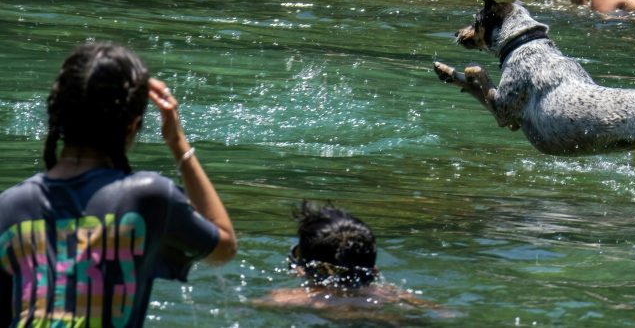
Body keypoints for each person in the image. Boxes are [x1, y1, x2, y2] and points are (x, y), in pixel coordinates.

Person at [0, 42, 237, 327]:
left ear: (58, 117)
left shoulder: (8, 206)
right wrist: (178, 144)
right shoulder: (149, 197)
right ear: (132, 125)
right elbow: (223, 248)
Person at [254, 201, 435, 319]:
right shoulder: (396, 296)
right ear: (374, 270)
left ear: (300, 268)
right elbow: (445, 314)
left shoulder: (284, 299)